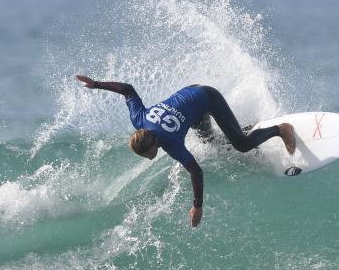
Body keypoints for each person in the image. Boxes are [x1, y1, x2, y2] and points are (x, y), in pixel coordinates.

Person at [76, 75, 295, 227]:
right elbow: (128, 90)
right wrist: (95, 84)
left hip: (208, 98)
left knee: (242, 146)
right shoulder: (139, 119)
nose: (149, 158)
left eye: (147, 154)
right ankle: (249, 128)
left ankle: (279, 129)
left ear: (153, 144)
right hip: (191, 97)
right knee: (214, 143)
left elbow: (196, 171)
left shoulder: (170, 142)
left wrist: (197, 207)